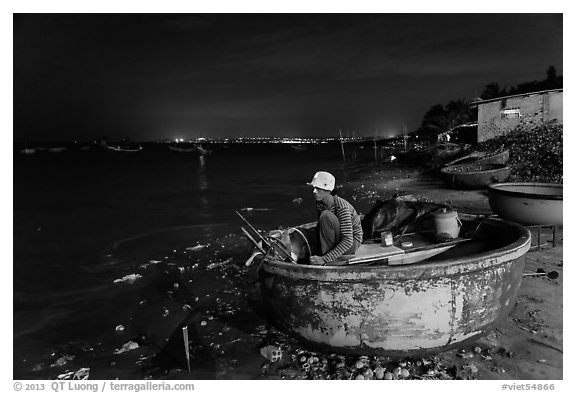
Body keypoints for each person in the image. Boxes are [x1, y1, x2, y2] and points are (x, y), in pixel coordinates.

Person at [306, 171, 363, 266]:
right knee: (324, 218)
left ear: (328, 191)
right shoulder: (320, 203)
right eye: (314, 188)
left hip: (351, 244)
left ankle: (331, 258)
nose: (314, 191)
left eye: (318, 189)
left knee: (326, 216)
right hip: (338, 236)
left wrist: (324, 259)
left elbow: (348, 241)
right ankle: (327, 252)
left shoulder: (342, 207)